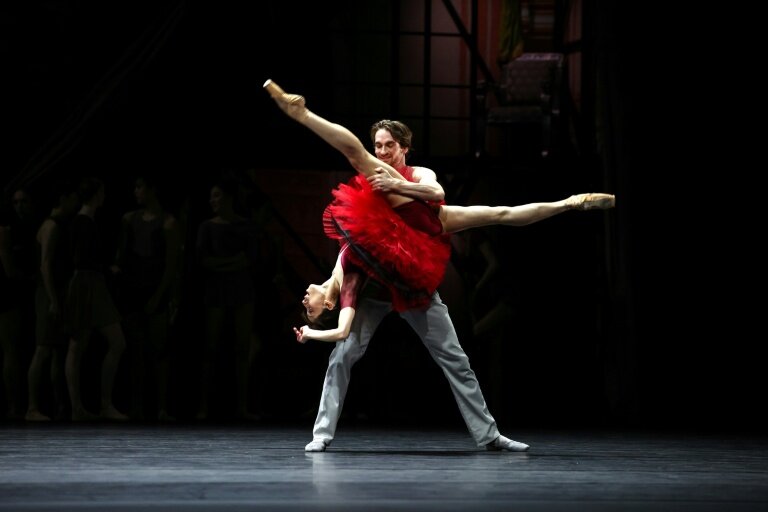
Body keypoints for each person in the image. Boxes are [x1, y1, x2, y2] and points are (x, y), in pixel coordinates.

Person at [264, 79, 615, 452]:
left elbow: (445, 196)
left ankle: (489, 434)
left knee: (456, 356)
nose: (381, 152)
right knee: (344, 354)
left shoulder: (421, 182)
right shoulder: (371, 184)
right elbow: (349, 151)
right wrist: (303, 115)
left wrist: (568, 205)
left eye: (389, 146)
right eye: (378, 146)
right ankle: (321, 434)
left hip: (415, 285)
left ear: (404, 148)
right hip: (375, 290)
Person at [111, 176, 180, 422]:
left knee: (159, 351)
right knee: (136, 351)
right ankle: (137, 406)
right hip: (133, 291)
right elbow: (122, 255)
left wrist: (160, 295)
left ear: (152, 189)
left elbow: (171, 265)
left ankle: (161, 407)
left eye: (140, 186)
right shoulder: (129, 220)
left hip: (155, 290)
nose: (136, 191)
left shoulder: (168, 223)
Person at [195, 178, 260, 421]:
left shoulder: (245, 226)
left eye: (217, 195)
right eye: (211, 196)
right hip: (216, 289)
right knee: (210, 347)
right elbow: (204, 261)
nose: (213, 200)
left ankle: (241, 406)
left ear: (229, 198)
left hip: (242, 289)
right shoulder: (206, 227)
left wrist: (222, 264)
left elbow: (249, 259)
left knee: (242, 349)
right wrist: (232, 263)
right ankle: (203, 406)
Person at [65, 177, 128, 421]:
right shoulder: (83, 222)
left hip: (89, 283)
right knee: (84, 345)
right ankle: (86, 406)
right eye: (102, 192)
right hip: (87, 284)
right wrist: (106, 268)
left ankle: (84, 407)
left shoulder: (86, 221)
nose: (105, 196)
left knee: (79, 346)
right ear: (96, 194)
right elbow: (81, 258)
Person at [25, 181, 80, 421]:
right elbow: (45, 264)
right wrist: (52, 299)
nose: (76, 203)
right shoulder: (51, 226)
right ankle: (32, 407)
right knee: (43, 349)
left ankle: (60, 406)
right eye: (73, 198)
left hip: (57, 293)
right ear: (64, 198)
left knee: (57, 350)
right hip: (49, 294)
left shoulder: (60, 225)